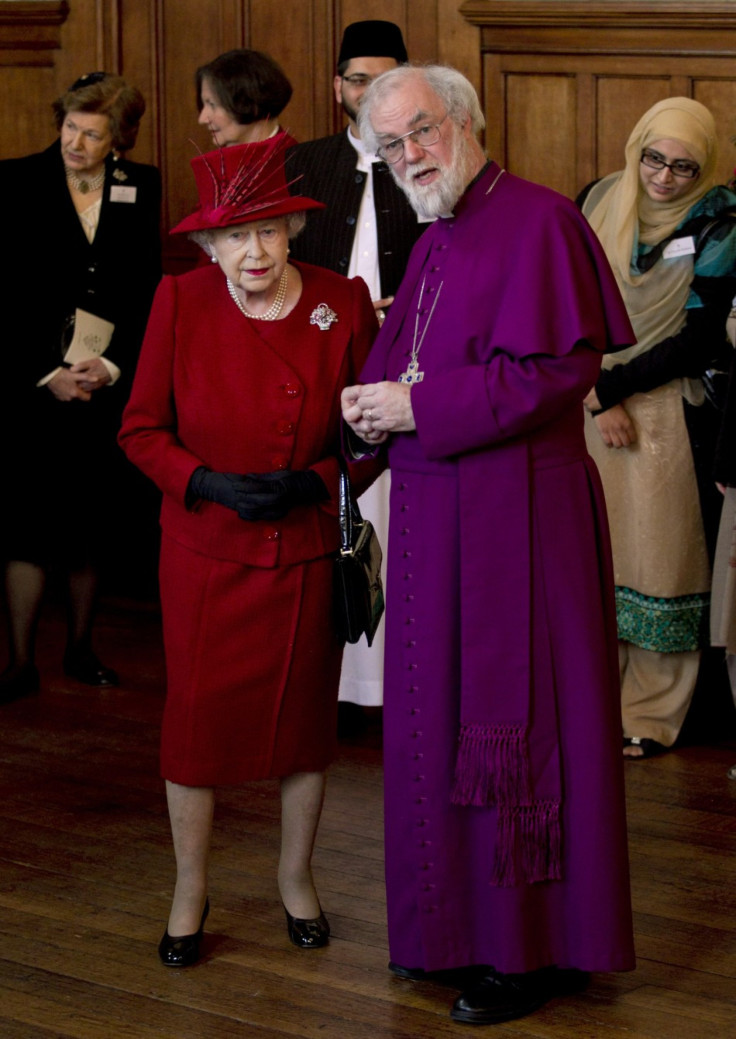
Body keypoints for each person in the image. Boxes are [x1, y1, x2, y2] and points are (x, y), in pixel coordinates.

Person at [341, 64, 636, 1026]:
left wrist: (415, 406)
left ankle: (534, 948)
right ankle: (450, 931)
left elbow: (559, 368)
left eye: (420, 132)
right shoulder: (437, 234)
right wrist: (366, 414)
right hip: (436, 520)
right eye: (388, 146)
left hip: (521, 519)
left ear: (465, 120)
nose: (408, 157)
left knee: (522, 729)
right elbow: (403, 362)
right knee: (437, 729)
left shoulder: (542, 221)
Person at [118, 135, 378, 967]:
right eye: (234, 235)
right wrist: (205, 482)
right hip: (203, 552)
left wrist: (319, 480)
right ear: (208, 243)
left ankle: (296, 877)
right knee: (194, 734)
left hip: (300, 552)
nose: (253, 251)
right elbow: (139, 429)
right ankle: (189, 885)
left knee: (303, 729)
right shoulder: (179, 301)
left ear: (294, 230)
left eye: (267, 230)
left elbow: (371, 435)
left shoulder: (344, 300)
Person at [579, 97, 736, 759]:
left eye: (683, 166)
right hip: (585, 402)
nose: (665, 177)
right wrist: (591, 391)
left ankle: (650, 711)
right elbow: (564, 297)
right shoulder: (597, 198)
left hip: (667, 406)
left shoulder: (720, 218)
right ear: (636, 146)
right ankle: (589, 701)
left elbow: (701, 336)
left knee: (662, 560)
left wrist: (607, 388)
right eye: (654, 158)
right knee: (593, 558)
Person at [0, 72, 162, 703]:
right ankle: (19, 661)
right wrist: (47, 374)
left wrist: (113, 366)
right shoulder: (12, 181)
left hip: (102, 386)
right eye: (70, 126)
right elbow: (4, 297)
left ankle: (81, 649)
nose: (76, 142)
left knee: (91, 522)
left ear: (117, 139)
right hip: (31, 385)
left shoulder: (137, 186)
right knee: (26, 526)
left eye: (93, 135)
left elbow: (143, 288)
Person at [288, 20, 426, 730]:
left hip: (412, 372)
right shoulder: (305, 162)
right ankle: (334, 689)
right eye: (357, 78)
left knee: (398, 522)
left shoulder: (429, 162)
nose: (368, 90)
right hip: (320, 367)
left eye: (384, 76)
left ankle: (396, 687)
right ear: (336, 86)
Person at [196, 48, 295, 148]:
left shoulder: (294, 161)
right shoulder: (217, 161)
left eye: (212, 105)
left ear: (251, 104)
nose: (202, 119)